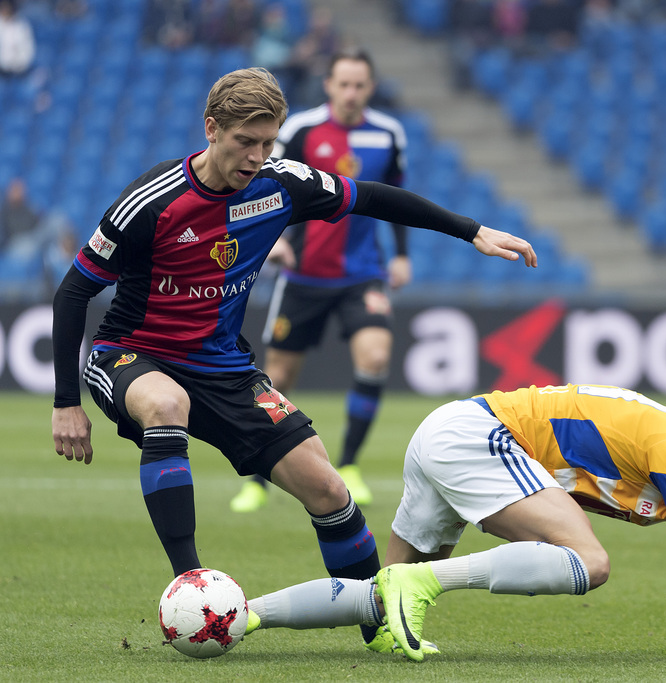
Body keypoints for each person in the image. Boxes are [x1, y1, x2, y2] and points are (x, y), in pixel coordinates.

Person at [50, 67, 536, 653]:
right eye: (243, 142)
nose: (256, 157)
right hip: (133, 353)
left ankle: (376, 626)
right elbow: (73, 291)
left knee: (328, 488)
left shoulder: (282, 185)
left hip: (225, 367)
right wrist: (65, 403)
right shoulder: (153, 201)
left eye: (267, 143)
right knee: (167, 402)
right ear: (211, 129)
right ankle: (192, 582)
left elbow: (374, 199)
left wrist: (471, 230)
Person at [242, 383, 666, 664]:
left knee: (383, 600)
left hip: (448, 432)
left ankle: (242, 615)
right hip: (478, 436)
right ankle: (424, 582)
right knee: (591, 561)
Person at [229, 48, 411, 514]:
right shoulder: (301, 130)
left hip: (362, 274)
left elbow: (395, 199)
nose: (351, 93)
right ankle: (258, 480)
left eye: (360, 85)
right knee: (278, 378)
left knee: (375, 356)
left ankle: (348, 464)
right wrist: (273, 240)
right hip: (304, 275)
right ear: (328, 85)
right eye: (343, 84)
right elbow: (266, 181)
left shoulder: (388, 134)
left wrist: (403, 256)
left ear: (370, 88)